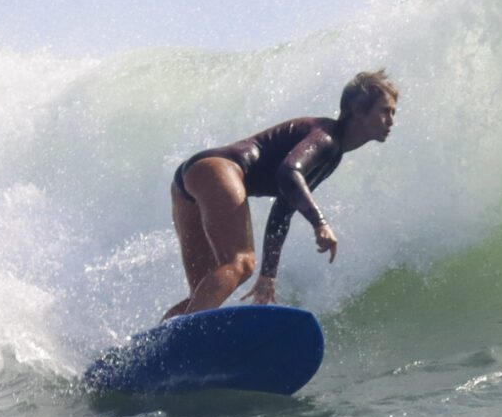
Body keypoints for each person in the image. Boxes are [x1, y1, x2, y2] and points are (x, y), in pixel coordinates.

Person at [163, 69, 400, 320]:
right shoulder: (326, 137)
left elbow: (284, 206)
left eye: (393, 113)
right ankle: (190, 341)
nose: (391, 120)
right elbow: (288, 173)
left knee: (202, 293)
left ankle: (157, 347)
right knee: (240, 262)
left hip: (192, 180)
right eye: (385, 111)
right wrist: (320, 223)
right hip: (220, 169)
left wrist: (268, 274)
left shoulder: (332, 153)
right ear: (357, 110)